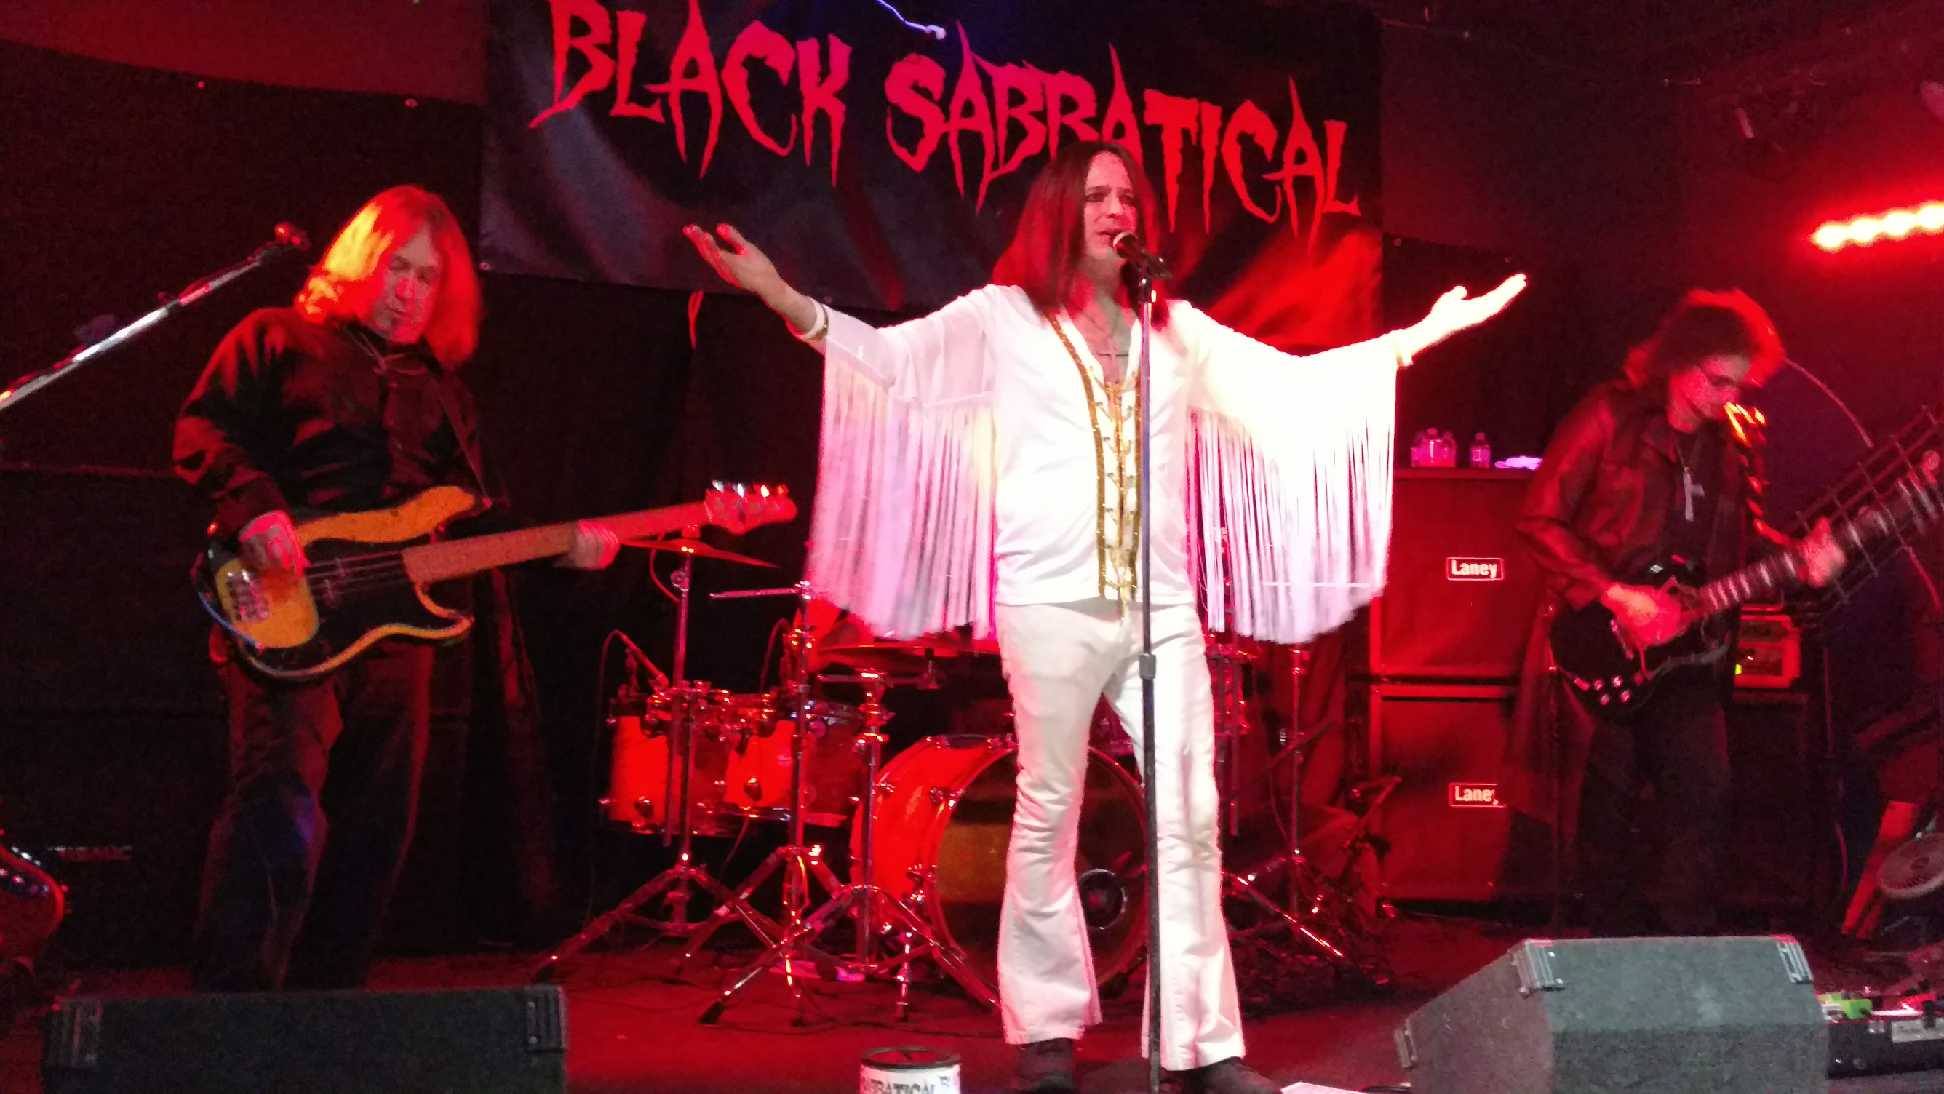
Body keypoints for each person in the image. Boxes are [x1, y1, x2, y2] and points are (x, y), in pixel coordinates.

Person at [685, 140, 1523, 1092]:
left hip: (1161, 604)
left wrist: (1416, 337)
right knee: (1049, 807)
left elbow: (1291, 387)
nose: (1117, 209)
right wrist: (780, 294)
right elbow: (889, 361)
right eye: (1096, 194)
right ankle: (1045, 1032)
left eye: (1127, 195)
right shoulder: (1002, 318)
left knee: (1192, 816)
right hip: (1047, 600)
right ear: (1057, 211)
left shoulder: (1175, 328)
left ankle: (1203, 1047)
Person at [173, 185, 618, 991]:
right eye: (397, 268)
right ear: (360, 264)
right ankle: (232, 1013)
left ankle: (330, 1009)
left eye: (427, 278)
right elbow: (202, 429)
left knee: (378, 826)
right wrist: (258, 508)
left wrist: (564, 552)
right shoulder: (277, 337)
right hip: (289, 596)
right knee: (277, 805)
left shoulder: (445, 392)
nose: (409, 290)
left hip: (395, 626)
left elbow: (483, 525)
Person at [1513, 288, 1843, 937]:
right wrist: (1615, 593)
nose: (1730, 397)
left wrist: (1801, 561)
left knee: (1705, 793)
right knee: (1607, 807)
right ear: (1680, 362)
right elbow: (1538, 521)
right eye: (1719, 381)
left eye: (1739, 385)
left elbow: (1741, 541)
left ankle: (1685, 945)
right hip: (1605, 639)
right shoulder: (1610, 417)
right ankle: (1611, 951)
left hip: (1691, 653)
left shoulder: (1728, 445)